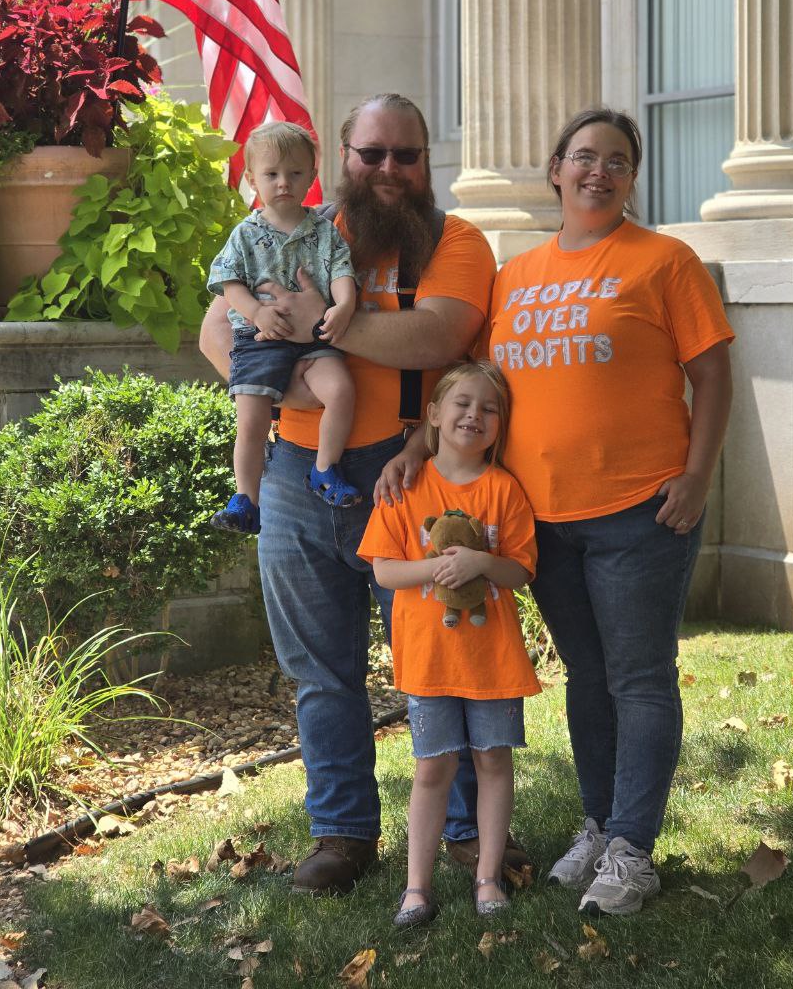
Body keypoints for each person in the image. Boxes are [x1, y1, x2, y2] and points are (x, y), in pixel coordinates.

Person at [379, 107, 734, 917]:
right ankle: (602, 825)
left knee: (639, 679)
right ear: (555, 170)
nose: (598, 172)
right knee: (587, 676)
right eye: (583, 157)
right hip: (542, 521)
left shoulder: (666, 262)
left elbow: (712, 377)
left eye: (616, 160)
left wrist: (697, 476)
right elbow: (480, 391)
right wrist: (416, 448)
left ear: (631, 178)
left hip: (641, 509)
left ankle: (633, 851)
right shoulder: (519, 272)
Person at [199, 93, 512, 896]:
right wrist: (294, 391)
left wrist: (320, 325)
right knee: (319, 670)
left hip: (409, 474)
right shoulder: (296, 230)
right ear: (342, 158)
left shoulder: (456, 241)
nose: (387, 171)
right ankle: (343, 834)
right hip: (298, 473)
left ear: (426, 162)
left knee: (439, 661)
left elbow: (437, 335)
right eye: (370, 154)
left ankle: (466, 831)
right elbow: (215, 330)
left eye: (404, 156)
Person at [359, 361, 540, 928]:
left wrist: (482, 562)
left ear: (499, 425)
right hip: (430, 661)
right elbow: (385, 572)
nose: (474, 415)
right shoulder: (406, 486)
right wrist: (436, 570)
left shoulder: (504, 489)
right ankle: (417, 886)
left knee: (492, 761)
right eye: (462, 403)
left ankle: (487, 877)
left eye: (489, 409)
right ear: (433, 415)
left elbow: (521, 571)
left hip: (493, 661)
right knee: (431, 770)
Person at [207, 122, 360, 533]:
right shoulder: (246, 233)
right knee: (252, 420)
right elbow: (227, 281)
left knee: (341, 390)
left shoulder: (323, 232)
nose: (283, 183)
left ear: (312, 175)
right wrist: (256, 312)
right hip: (260, 341)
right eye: (271, 174)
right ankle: (245, 498)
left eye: (295, 173)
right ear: (253, 179)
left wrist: (344, 306)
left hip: (313, 342)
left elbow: (341, 272)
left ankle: (324, 469)